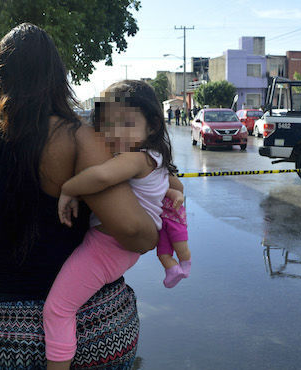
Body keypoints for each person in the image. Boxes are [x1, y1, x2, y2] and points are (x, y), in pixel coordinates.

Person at [0, 23, 157, 369]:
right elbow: (135, 233)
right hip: (95, 327)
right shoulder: (77, 137)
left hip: (7, 334)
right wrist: (157, 231)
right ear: (57, 78)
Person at [43, 80, 192, 369]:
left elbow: (100, 178)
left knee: (58, 310)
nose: (114, 133)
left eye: (126, 123)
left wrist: (68, 189)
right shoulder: (155, 158)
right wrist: (174, 192)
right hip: (118, 248)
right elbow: (176, 183)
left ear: (151, 127)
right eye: (107, 124)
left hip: (106, 248)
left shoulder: (135, 158)